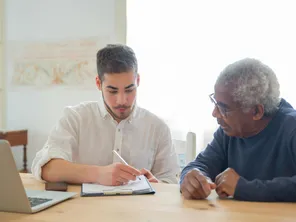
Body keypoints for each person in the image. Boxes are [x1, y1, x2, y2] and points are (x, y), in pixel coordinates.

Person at [31, 44, 179, 185]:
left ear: (138, 80)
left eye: (129, 90)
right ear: (98, 83)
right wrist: (98, 174)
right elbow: (46, 168)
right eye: (112, 91)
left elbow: (171, 182)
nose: (122, 100)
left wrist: (157, 185)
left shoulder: (157, 128)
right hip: (84, 210)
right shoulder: (76, 118)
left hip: (138, 210)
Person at [180, 58, 296, 202]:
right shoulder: (229, 131)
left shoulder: (291, 127)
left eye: (224, 108)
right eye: (215, 103)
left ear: (256, 112)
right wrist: (191, 177)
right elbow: (201, 164)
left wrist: (244, 188)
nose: (215, 113)